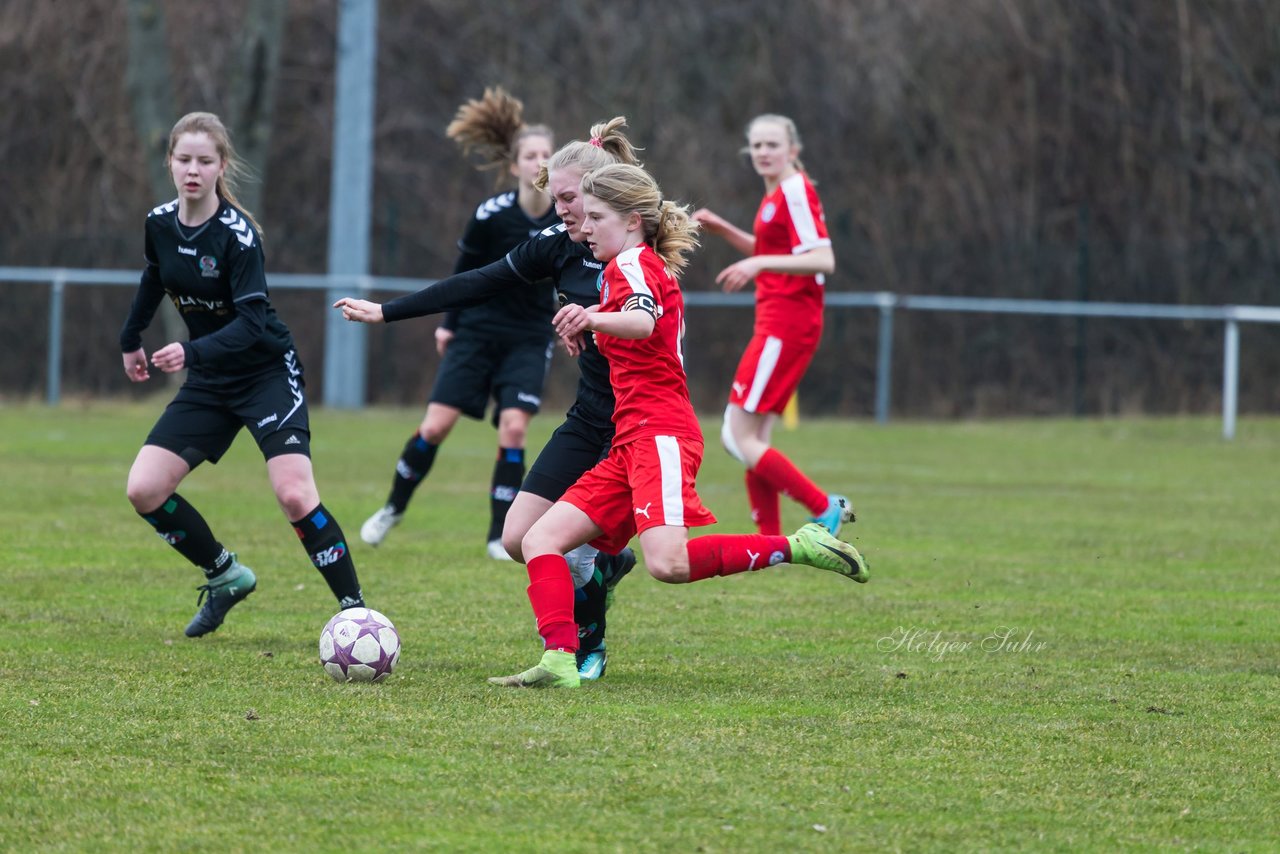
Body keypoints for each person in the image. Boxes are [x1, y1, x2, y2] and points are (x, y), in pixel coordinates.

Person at [487, 163, 869, 689]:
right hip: (629, 440)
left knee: (668, 564)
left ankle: (800, 545)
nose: (586, 227)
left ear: (634, 222)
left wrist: (592, 319)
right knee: (539, 540)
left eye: (597, 217)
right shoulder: (627, 268)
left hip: (661, 436)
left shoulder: (633, 265)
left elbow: (642, 320)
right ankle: (559, 660)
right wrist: (590, 321)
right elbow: (636, 322)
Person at [334, 118, 644, 680]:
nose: (562, 209)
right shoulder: (557, 245)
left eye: (571, 198)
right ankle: (605, 567)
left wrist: (596, 324)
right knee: (518, 538)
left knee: (651, 557)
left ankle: (587, 642)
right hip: (588, 418)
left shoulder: (640, 253)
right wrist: (387, 311)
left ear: (602, 194)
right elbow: (477, 280)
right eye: (556, 197)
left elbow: (656, 329)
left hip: (636, 425)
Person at [120, 111, 366, 637]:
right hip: (211, 382)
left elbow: (254, 325)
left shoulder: (238, 236)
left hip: (264, 373)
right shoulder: (159, 222)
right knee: (143, 489)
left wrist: (190, 352)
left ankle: (357, 614)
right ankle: (225, 574)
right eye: (183, 159)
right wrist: (130, 339)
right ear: (169, 162)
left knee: (295, 494)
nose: (193, 170)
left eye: (204, 161)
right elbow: (153, 276)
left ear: (221, 166)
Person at [359, 88, 559, 560]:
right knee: (434, 428)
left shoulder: (568, 217)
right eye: (530, 155)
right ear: (514, 166)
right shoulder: (490, 216)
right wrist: (447, 324)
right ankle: (392, 508)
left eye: (547, 154)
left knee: (513, 430)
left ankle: (497, 535)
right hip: (476, 332)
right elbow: (462, 276)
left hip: (530, 337)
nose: (539, 162)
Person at [692, 114, 854, 539]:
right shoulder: (775, 196)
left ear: (793, 151)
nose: (764, 152)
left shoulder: (795, 190)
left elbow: (823, 259)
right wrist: (725, 230)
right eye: (757, 146)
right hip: (780, 321)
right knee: (754, 438)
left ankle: (825, 508)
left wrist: (758, 262)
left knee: (735, 434)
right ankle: (770, 544)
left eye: (772, 145)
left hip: (787, 323)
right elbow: (773, 249)